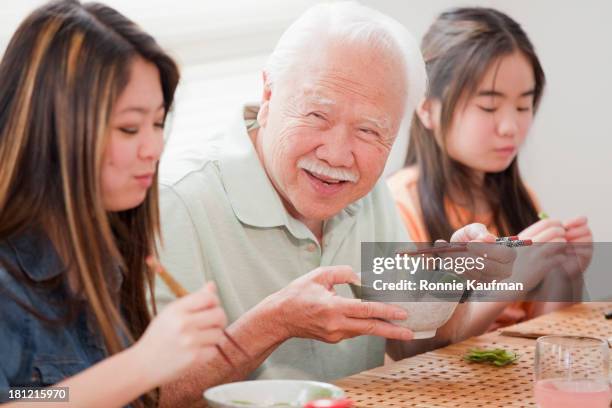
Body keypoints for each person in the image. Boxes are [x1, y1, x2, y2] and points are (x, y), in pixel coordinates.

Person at [154, 2, 515, 406]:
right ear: (269, 93)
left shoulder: (365, 190)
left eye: (369, 130)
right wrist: (275, 324)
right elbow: (146, 396)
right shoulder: (175, 203)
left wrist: (455, 282)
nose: (338, 155)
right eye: (317, 115)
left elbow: (404, 340)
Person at [0, 1, 226, 407]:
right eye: (129, 127)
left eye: (158, 123)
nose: (154, 148)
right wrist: (143, 364)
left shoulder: (105, 253)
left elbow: (384, 317)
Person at [387, 7, 592, 335]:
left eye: (523, 106)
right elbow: (418, 344)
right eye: (488, 107)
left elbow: (541, 336)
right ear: (426, 109)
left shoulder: (519, 197)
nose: (511, 127)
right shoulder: (397, 208)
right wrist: (513, 278)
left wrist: (563, 273)